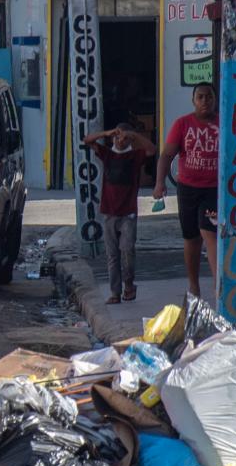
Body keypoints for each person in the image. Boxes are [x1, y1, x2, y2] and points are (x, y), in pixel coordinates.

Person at [151, 82, 220, 299]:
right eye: (200, 97)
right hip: (188, 188)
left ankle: (220, 286)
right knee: (191, 238)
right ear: (193, 100)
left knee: (210, 232)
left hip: (214, 189)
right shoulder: (183, 124)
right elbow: (166, 155)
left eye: (208, 97)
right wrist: (159, 183)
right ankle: (194, 285)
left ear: (215, 99)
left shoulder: (223, 123)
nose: (204, 101)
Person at [84, 110, 154, 305]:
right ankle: (115, 292)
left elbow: (152, 150)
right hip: (108, 212)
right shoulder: (107, 154)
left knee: (127, 251)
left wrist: (134, 135)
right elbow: (87, 140)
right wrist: (106, 133)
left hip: (128, 212)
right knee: (112, 255)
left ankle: (129, 285)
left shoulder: (135, 156)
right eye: (117, 137)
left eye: (123, 138)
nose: (120, 141)